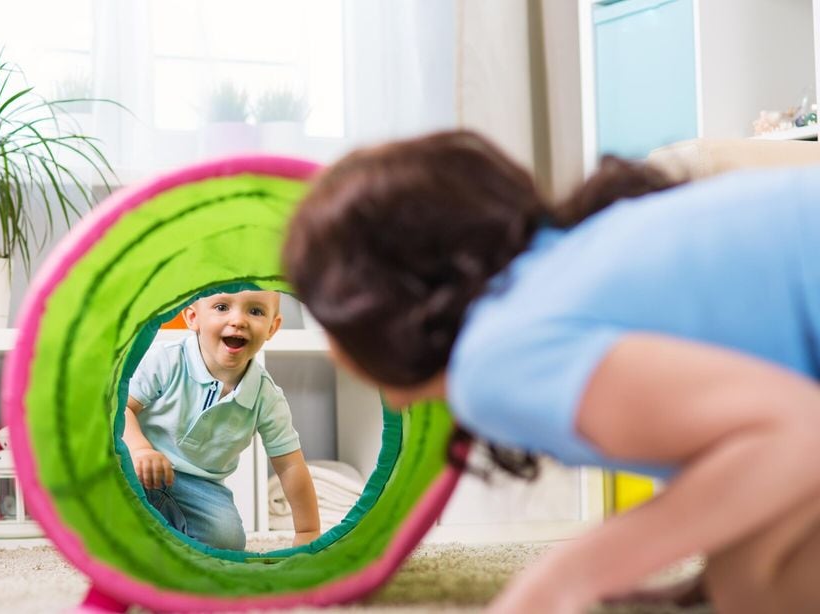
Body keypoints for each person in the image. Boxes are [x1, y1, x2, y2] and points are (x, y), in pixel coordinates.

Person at [282, 129, 820, 614]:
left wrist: (567, 575)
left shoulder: (494, 356)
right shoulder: (560, 265)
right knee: (738, 562)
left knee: (755, 586)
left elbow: (798, 432)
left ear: (371, 309)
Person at [122, 289, 320, 550]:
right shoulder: (166, 359)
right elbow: (121, 408)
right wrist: (140, 449)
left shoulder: (266, 396)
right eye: (222, 307)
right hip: (139, 467)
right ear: (193, 318)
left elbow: (290, 465)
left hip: (201, 487)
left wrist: (308, 531)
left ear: (272, 328)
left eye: (256, 311)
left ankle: (162, 535)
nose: (238, 320)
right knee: (105, 486)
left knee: (227, 542)